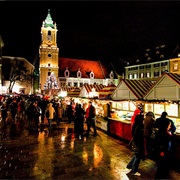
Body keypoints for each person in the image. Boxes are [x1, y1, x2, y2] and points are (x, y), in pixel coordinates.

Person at [126, 112, 145, 176]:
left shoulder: (135, 124)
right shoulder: (140, 127)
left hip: (135, 142)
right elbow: (139, 136)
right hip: (138, 143)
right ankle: (134, 171)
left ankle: (130, 165)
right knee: (138, 157)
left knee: (136, 154)